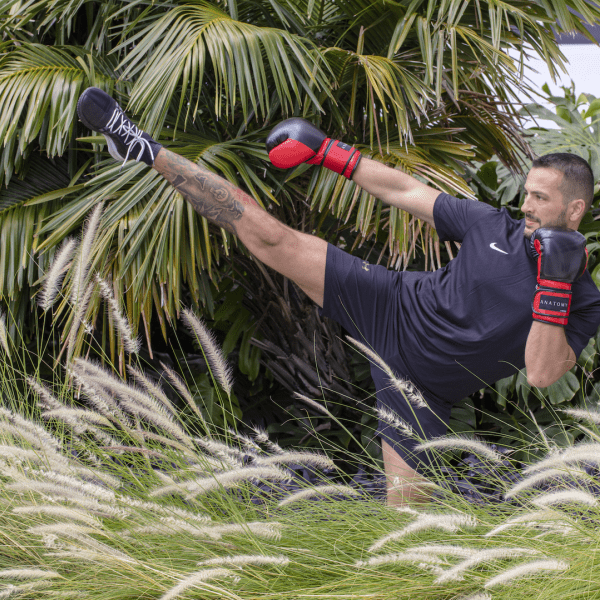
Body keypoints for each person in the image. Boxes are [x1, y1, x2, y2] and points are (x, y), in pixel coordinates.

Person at [76, 87, 600, 506]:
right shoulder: (492, 224)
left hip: (419, 391)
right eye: (526, 192)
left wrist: (554, 285)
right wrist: (330, 153)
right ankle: (142, 148)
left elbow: (541, 373)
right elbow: (405, 192)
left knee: (407, 519)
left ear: (574, 211)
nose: (525, 205)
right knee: (268, 235)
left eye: (540, 198)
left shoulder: (585, 301)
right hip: (391, 303)